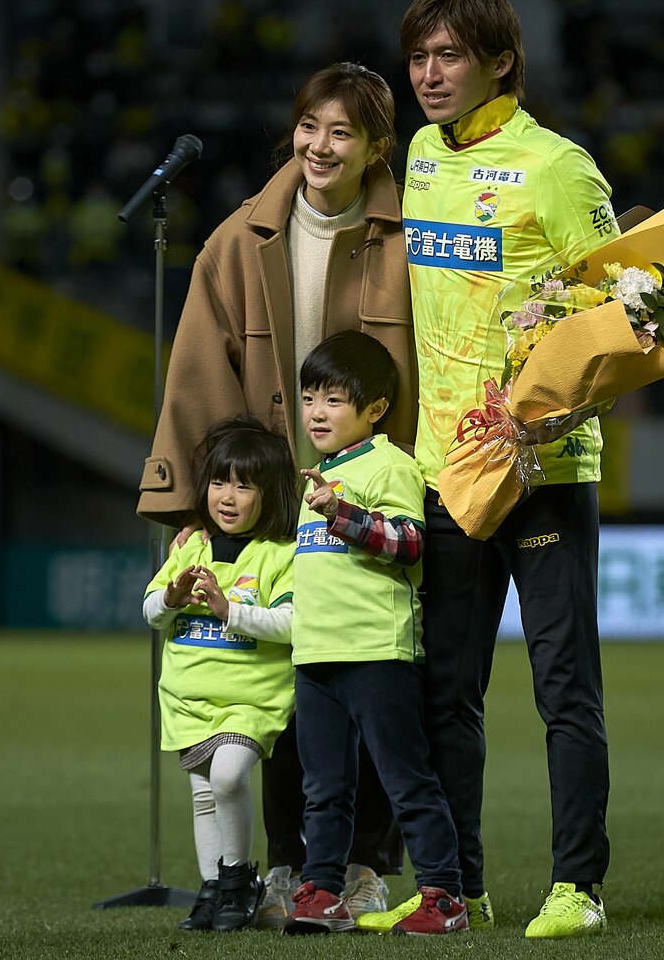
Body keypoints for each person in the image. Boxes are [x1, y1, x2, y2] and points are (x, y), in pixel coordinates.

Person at [359, 0, 621, 939]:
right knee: (444, 692)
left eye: (449, 57)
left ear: (500, 60)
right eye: (420, 57)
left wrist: (549, 415)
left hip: (546, 471)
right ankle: (456, 890)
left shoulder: (559, 169)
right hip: (445, 469)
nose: (428, 76)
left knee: (564, 689)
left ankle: (579, 888)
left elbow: (625, 316)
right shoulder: (421, 155)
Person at [136, 61, 414, 925]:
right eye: (308, 126)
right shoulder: (235, 240)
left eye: (341, 131)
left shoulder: (415, 236)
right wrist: (197, 506)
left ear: (376, 147)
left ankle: (367, 864)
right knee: (288, 697)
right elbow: (194, 380)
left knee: (372, 692)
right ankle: (296, 866)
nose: (319, 145)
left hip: (372, 505)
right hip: (277, 505)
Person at [281, 330, 466, 937]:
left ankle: (443, 895)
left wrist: (344, 515)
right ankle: (323, 892)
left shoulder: (389, 464)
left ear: (375, 410)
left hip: (377, 653)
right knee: (323, 790)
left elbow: (412, 544)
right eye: (310, 397)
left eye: (334, 400)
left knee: (406, 780)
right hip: (316, 656)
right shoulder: (317, 476)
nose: (316, 412)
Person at [142, 416, 300, 932]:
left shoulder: (281, 554)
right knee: (204, 794)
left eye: (244, 485)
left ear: (270, 493)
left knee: (229, 775)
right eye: (218, 482)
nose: (227, 496)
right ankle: (214, 890)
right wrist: (170, 596)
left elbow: (293, 623)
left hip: (251, 699)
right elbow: (149, 610)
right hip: (190, 699)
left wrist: (229, 609)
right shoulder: (190, 547)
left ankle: (238, 880)